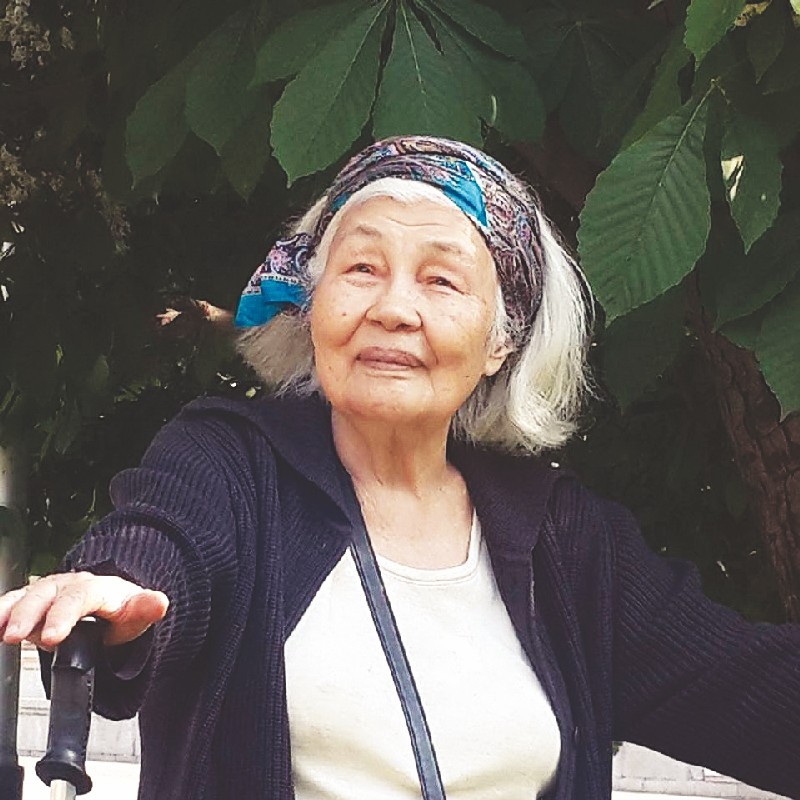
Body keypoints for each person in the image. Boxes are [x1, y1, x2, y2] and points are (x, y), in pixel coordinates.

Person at [1, 136, 799, 800]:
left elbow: (747, 691)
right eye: (361, 269)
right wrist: (111, 586)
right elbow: (163, 540)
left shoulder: (564, 540)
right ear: (313, 305)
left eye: (441, 280)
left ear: (502, 340)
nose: (392, 308)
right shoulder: (234, 463)